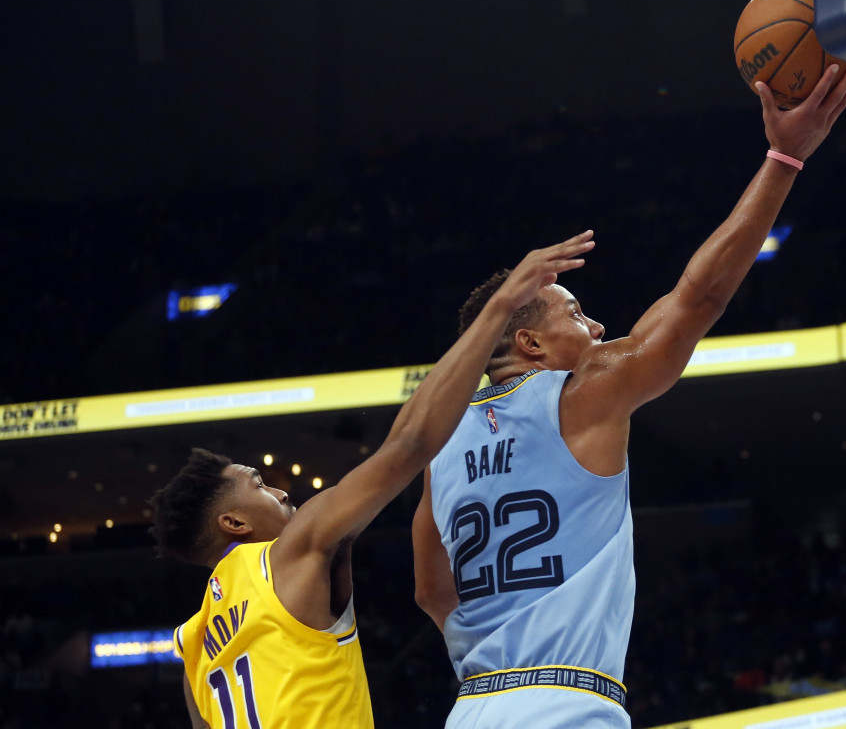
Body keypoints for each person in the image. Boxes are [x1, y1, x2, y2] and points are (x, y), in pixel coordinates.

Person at [411, 66, 846, 728]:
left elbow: (430, 591)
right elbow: (697, 300)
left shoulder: (439, 445)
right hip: (566, 701)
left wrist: (497, 660)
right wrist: (785, 157)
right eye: (577, 314)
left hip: (474, 706)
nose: (596, 328)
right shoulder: (582, 394)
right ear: (531, 344)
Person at [149, 230, 596, 729]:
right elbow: (409, 445)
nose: (279, 491)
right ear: (232, 522)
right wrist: (500, 309)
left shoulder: (191, 645)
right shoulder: (288, 553)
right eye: (258, 485)